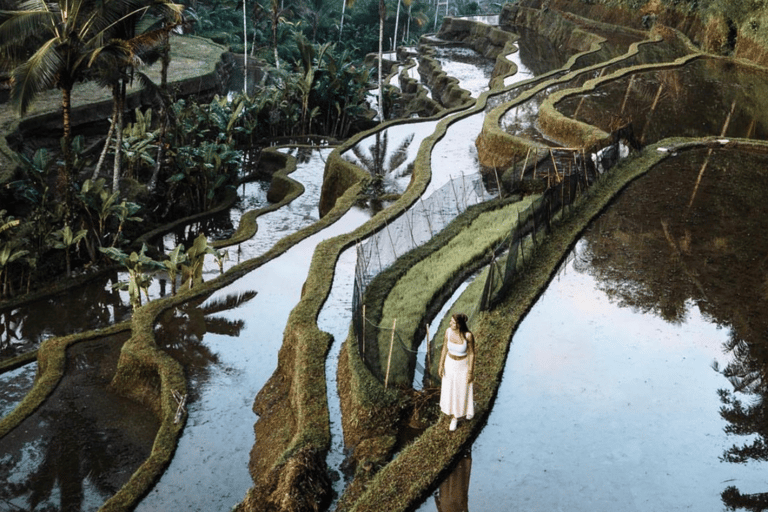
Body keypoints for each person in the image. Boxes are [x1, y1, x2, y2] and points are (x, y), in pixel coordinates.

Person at [438, 313, 475, 431]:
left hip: (462, 365)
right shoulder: (448, 332)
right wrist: (441, 364)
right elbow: (444, 348)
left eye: (453, 322)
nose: (450, 323)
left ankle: (461, 414)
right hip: (450, 364)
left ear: (459, 324)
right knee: (450, 389)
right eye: (451, 321)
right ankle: (453, 415)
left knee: (462, 389)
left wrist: (470, 372)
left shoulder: (468, 336)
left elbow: (471, 354)